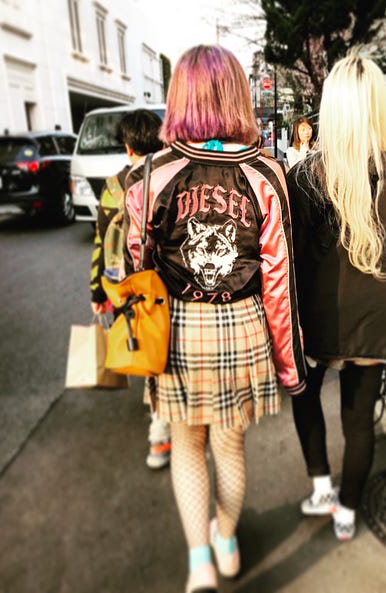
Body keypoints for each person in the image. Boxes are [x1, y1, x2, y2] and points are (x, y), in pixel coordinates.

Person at [125, 44, 306, 593]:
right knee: (229, 446)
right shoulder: (266, 174)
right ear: (236, 95)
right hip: (244, 326)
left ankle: (200, 562)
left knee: (187, 446)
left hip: (178, 331)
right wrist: (290, 362)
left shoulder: (149, 175)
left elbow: (139, 270)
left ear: (179, 96)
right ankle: (226, 539)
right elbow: (279, 280)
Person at [286, 53, 386, 541]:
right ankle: (347, 512)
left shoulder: (305, 177)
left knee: (303, 397)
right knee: (360, 418)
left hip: (317, 318)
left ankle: (322, 484)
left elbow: (292, 256)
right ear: (378, 107)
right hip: (376, 317)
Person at [89, 108, 172, 471]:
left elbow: (100, 240)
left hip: (123, 284)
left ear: (127, 147)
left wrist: (97, 292)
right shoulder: (167, 177)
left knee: (144, 347)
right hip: (160, 282)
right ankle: (161, 432)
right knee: (161, 351)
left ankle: (160, 432)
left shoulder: (113, 185)